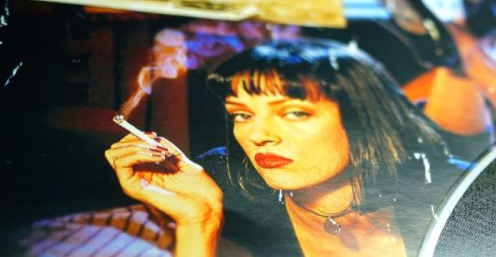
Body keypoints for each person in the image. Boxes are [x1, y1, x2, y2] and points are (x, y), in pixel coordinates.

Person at [105, 39, 462, 256]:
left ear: (364, 118)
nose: (259, 135)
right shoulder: (222, 187)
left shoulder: (451, 190)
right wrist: (200, 221)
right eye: (242, 114)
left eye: (293, 112)